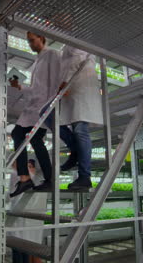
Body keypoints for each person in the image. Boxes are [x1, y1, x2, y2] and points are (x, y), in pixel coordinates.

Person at [9, 31, 61, 196]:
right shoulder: (37, 60)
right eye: (28, 41)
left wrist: (51, 105)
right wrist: (20, 86)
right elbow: (36, 88)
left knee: (21, 134)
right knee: (34, 139)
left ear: (42, 39)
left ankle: (28, 179)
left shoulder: (52, 54)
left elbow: (55, 81)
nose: (30, 44)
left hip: (43, 106)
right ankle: (41, 179)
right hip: (34, 106)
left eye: (32, 40)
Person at [47, 45, 103, 190]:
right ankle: (75, 149)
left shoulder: (78, 37)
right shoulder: (65, 46)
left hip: (82, 85)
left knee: (80, 130)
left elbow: (78, 60)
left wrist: (65, 82)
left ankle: (85, 176)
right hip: (72, 88)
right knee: (47, 115)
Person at [7, 160, 47, 263]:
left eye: (30, 167)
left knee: (26, 251)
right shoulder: (19, 179)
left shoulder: (38, 181)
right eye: (26, 167)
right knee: (19, 250)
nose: (28, 170)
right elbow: (11, 195)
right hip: (19, 220)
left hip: (31, 220)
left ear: (35, 169)